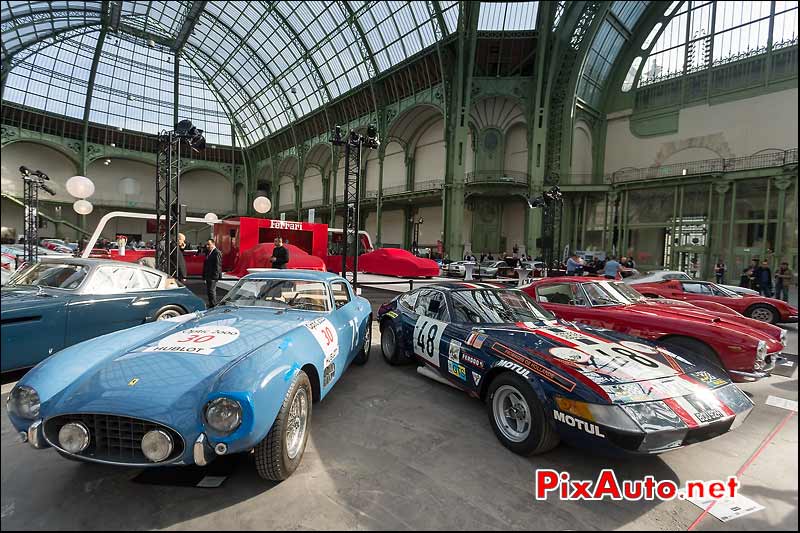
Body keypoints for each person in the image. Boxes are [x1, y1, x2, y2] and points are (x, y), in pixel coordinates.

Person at [203, 239, 222, 307]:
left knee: (211, 291)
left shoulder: (217, 252)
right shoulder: (209, 252)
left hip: (213, 276)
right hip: (208, 275)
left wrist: (215, 276)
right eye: (206, 244)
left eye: (209, 244)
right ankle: (211, 303)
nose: (207, 246)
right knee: (209, 291)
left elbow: (218, 265)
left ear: (213, 244)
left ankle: (213, 304)